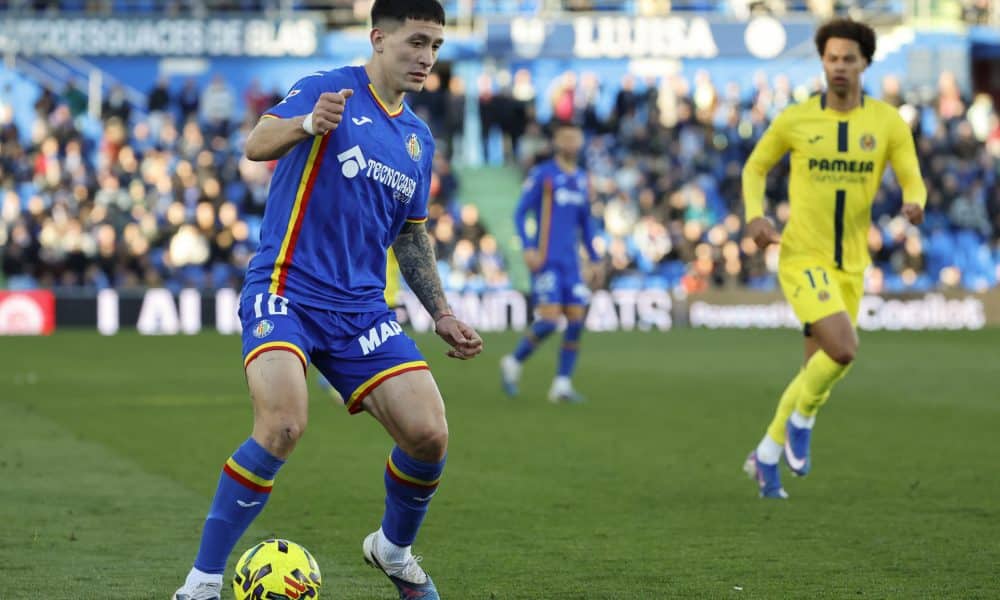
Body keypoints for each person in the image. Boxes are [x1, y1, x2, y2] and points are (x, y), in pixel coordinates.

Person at [172, 2, 483, 599]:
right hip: (286, 289)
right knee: (283, 424)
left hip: (362, 309)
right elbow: (256, 142)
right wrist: (307, 125)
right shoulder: (328, 89)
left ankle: (393, 549)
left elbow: (411, 235)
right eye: (417, 41)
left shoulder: (417, 140)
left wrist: (440, 311)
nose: (426, 57)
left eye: (436, 46)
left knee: (429, 435)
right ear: (379, 38)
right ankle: (202, 584)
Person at [740, 18, 925, 499]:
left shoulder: (885, 122)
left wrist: (915, 200)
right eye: (831, 58)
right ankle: (802, 421)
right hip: (802, 256)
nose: (839, 66)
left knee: (816, 369)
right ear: (822, 62)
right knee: (844, 348)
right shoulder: (796, 119)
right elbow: (756, 166)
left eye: (848, 58)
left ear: (865, 62)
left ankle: (764, 457)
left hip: (852, 265)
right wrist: (755, 216)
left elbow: (912, 175)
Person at [500, 122, 598, 403]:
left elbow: (586, 223)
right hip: (547, 260)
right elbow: (520, 214)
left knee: (577, 319)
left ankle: (562, 385)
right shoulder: (544, 175)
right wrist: (529, 247)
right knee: (551, 319)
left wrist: (594, 257)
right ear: (557, 142)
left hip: (571, 263)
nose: (572, 143)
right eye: (566, 138)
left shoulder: (581, 178)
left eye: (576, 137)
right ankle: (514, 361)